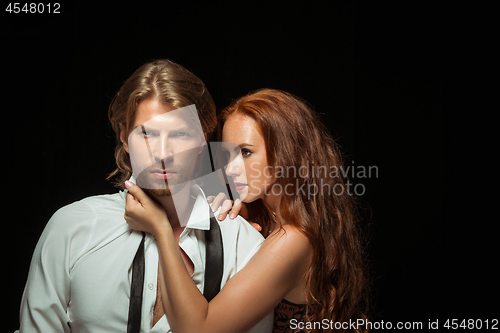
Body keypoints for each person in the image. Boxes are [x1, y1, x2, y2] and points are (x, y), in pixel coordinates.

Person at [18, 59, 273, 332]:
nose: (163, 153)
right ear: (125, 136)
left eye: (180, 134)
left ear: (202, 139)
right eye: (147, 133)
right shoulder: (71, 228)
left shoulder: (243, 245)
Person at [124, 88, 368, 333]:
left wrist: (161, 229)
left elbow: (201, 329)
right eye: (228, 155)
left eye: (246, 152)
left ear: (288, 153)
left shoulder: (293, 239)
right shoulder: (269, 218)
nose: (230, 169)